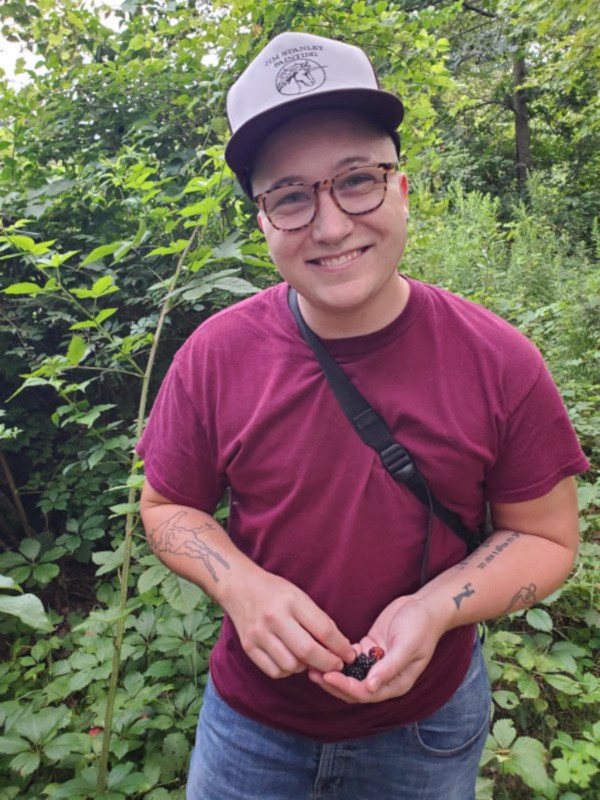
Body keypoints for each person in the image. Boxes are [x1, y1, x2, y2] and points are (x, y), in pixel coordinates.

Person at [137, 32, 589, 800]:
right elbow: (168, 505)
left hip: (427, 726)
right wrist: (243, 587)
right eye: (290, 195)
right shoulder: (215, 354)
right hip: (251, 727)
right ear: (262, 221)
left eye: (356, 181)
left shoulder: (500, 359)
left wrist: (438, 608)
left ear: (403, 190)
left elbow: (547, 539)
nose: (332, 224)